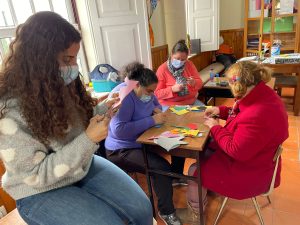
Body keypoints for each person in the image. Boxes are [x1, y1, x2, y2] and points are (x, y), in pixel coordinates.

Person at [0, 12, 153, 225]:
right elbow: (36, 175)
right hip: (37, 190)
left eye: (75, 58)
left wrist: (100, 111)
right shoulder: (9, 112)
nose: (74, 67)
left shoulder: (58, 84)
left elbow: (72, 123)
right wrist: (89, 139)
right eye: (67, 59)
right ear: (40, 58)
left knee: (143, 210)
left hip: (78, 166)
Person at [186, 61, 289, 220]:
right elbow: (241, 112)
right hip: (261, 161)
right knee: (205, 150)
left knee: (194, 169)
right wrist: (220, 111)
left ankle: (195, 216)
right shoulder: (264, 94)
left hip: (249, 172)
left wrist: (215, 127)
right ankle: (207, 187)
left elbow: (236, 150)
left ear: (240, 86)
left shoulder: (258, 114)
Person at [105, 62, 182, 225]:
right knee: (161, 168)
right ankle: (166, 212)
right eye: (149, 91)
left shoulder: (145, 91)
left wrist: (157, 109)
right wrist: (152, 120)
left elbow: (155, 102)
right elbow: (119, 130)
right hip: (121, 149)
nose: (151, 94)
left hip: (142, 140)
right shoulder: (124, 96)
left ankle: (172, 180)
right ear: (137, 84)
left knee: (179, 146)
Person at [155, 40, 203, 111]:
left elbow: (200, 83)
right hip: (170, 104)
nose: (180, 62)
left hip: (190, 102)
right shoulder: (162, 69)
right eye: (177, 59)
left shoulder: (189, 64)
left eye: (183, 59)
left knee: (207, 115)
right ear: (171, 54)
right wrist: (172, 89)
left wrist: (194, 82)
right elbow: (156, 94)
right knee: (181, 120)